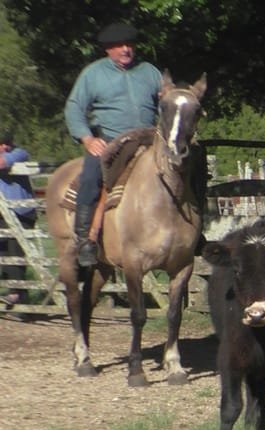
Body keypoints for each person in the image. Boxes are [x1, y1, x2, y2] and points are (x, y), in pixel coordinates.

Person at [64, 22, 161, 267]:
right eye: (119, 45)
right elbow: (74, 107)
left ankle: (193, 230)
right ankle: (85, 240)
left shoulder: (150, 72)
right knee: (90, 178)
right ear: (108, 49)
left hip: (149, 138)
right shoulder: (93, 74)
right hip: (111, 140)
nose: (125, 49)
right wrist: (87, 138)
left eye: (129, 44)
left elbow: (165, 104)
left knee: (184, 166)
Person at [0, 130, 33, 307]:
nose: (4, 147)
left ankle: (16, 294)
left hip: (21, 213)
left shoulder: (19, 153)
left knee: (16, 254)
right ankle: (21, 300)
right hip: (3, 213)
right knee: (4, 254)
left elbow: (2, 163)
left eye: (6, 144)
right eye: (1, 144)